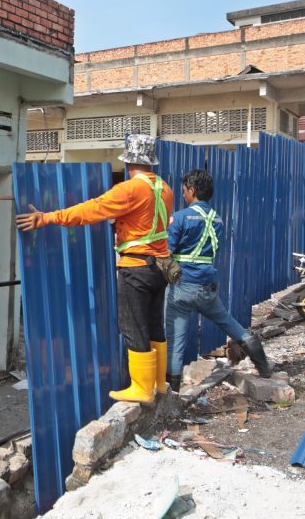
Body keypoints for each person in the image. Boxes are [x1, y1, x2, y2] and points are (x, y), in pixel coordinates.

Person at [16, 134, 175, 405]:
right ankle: (159, 383)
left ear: (128, 162)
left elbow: (92, 210)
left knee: (132, 326)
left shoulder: (129, 189)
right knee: (153, 324)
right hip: (159, 267)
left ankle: (141, 388)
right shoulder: (164, 187)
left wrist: (47, 217)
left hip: (135, 267)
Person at [165, 169, 272, 391]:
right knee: (232, 326)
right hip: (207, 287)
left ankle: (172, 395)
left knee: (176, 343)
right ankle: (264, 368)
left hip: (182, 288)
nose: (183, 195)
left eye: (184, 191)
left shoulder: (181, 217)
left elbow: (166, 251)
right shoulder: (218, 219)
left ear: (192, 190)